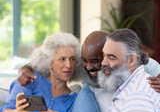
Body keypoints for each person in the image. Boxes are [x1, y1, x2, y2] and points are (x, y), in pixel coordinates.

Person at [18, 30, 160, 90]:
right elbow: (43, 63)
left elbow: (156, 71)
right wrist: (25, 69)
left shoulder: (129, 62)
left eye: (95, 61)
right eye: (85, 60)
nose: (89, 67)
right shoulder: (80, 65)